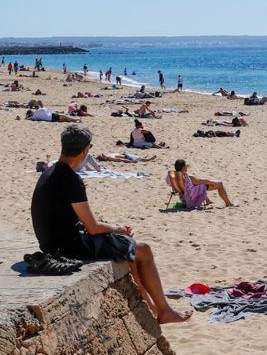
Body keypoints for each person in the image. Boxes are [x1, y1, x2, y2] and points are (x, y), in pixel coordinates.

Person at [31, 126, 187, 323]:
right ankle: (164, 310)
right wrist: (117, 228)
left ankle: (152, 306)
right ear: (84, 151)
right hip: (68, 247)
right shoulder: (71, 180)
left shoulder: (49, 172)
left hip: (50, 243)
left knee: (126, 249)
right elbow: (93, 227)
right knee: (143, 250)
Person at [169, 159, 234, 209]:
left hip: (184, 199)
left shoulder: (173, 177)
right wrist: (211, 182)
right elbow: (201, 181)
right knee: (219, 184)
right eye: (186, 166)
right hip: (191, 199)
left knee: (195, 184)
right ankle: (228, 203)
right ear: (183, 168)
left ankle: (208, 201)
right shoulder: (188, 177)